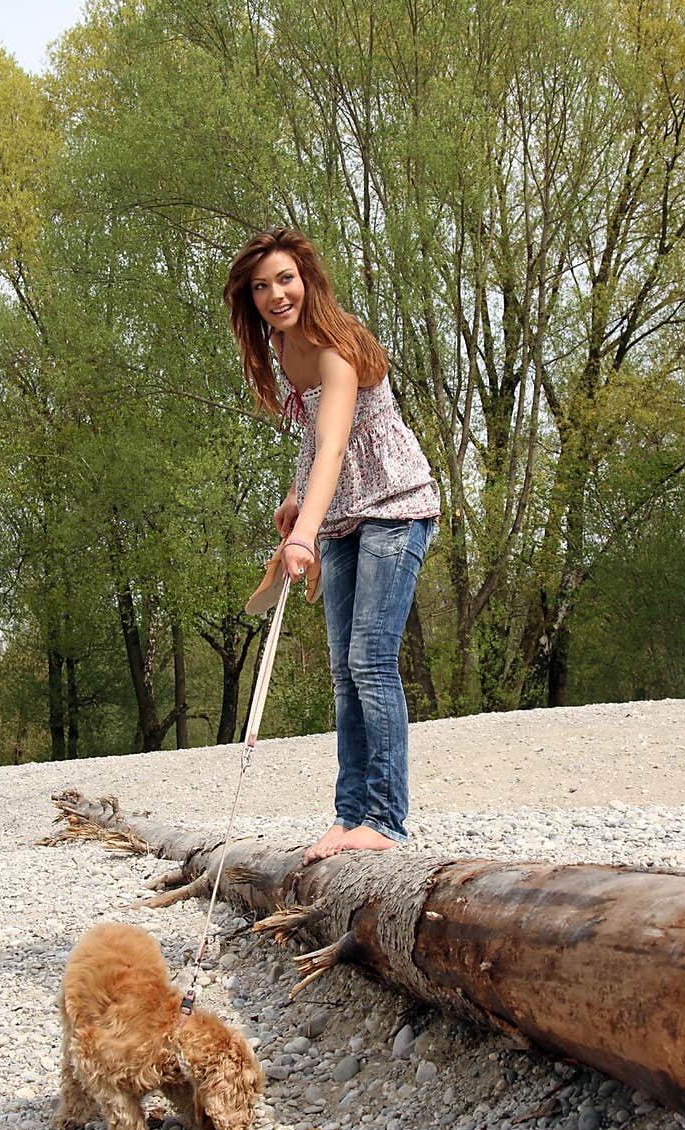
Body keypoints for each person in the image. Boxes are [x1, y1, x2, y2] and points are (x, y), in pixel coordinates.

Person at [223, 227, 440, 864]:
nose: (275, 294)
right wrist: (297, 498)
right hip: (343, 516)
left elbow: (339, 445)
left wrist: (301, 535)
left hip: (394, 510)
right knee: (344, 674)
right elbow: (312, 442)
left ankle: (386, 819)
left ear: (308, 279)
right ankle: (349, 818)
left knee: (371, 661)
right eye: (261, 287)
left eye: (284, 279)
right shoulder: (282, 349)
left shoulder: (336, 347)